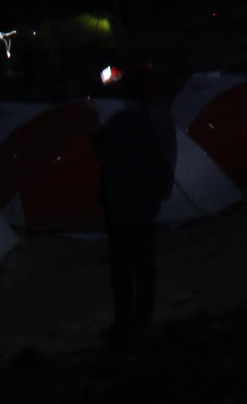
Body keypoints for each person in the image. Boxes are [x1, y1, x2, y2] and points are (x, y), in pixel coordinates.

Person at [91, 97, 177, 346]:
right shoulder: (158, 121)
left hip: (121, 203)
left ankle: (127, 321)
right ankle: (140, 320)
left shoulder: (121, 123)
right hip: (143, 203)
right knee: (143, 264)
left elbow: (98, 146)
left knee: (124, 265)